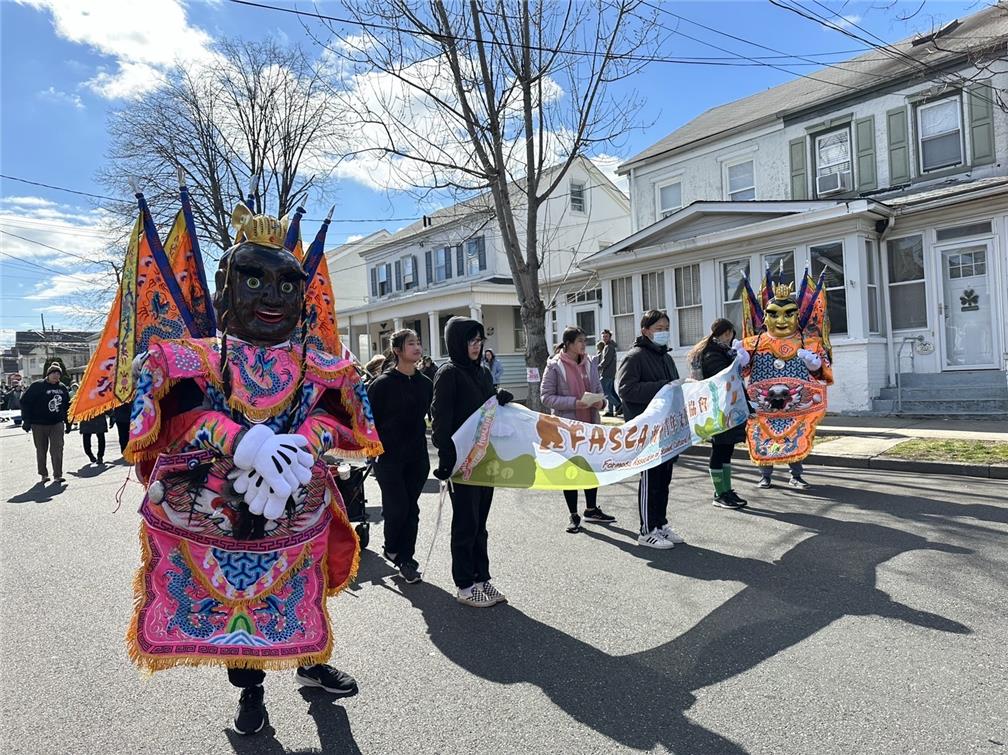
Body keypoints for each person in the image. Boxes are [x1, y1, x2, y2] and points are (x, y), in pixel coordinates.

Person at [122, 206, 381, 736]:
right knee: (240, 608)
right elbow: (163, 423)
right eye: (255, 280)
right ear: (224, 288)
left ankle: (309, 663)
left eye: (289, 285)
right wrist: (241, 439)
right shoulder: (193, 357)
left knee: (300, 594)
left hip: (296, 508)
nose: (273, 297)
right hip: (220, 518)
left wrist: (304, 442)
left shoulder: (318, 362)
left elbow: (348, 422)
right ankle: (251, 694)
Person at [431, 316, 512, 607]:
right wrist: (447, 456)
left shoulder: (482, 372)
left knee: (481, 524)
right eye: (471, 341)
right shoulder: (449, 373)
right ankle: (464, 584)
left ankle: (482, 578)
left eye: (480, 341)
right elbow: (440, 422)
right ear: (457, 342)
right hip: (461, 462)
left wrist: (499, 397)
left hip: (484, 459)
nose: (477, 347)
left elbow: (488, 409)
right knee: (466, 522)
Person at [736, 280, 833, 490]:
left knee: (796, 438)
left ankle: (796, 475)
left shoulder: (809, 343)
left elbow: (823, 373)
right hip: (762, 407)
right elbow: (742, 372)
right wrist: (741, 360)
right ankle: (765, 475)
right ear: (764, 316)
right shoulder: (752, 343)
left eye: (789, 313)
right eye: (773, 314)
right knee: (763, 439)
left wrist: (814, 364)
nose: (781, 320)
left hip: (797, 407)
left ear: (797, 315)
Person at [367, 328, 433, 584]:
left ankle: (407, 560)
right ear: (397, 350)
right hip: (389, 459)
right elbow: (368, 423)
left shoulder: (426, 384)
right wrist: (372, 452)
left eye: (418, 342)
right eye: (411, 344)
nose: (417, 348)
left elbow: (431, 417)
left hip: (417, 458)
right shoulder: (381, 385)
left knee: (411, 509)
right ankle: (392, 546)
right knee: (397, 509)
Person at [616, 310, 684, 549]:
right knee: (650, 479)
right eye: (658, 328)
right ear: (645, 330)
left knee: (663, 479)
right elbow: (625, 390)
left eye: (666, 327)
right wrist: (662, 386)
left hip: (667, 429)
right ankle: (646, 531)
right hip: (646, 430)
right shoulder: (635, 357)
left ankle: (660, 524)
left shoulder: (665, 357)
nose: (663, 332)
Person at [540, 326, 616, 533]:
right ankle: (573, 515)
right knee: (570, 471)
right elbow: (546, 397)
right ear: (568, 344)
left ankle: (591, 509)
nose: (584, 344)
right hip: (567, 428)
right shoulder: (555, 366)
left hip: (590, 425)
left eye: (585, 340)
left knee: (591, 468)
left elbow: (599, 390)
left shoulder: (590, 362)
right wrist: (575, 403)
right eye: (580, 340)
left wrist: (600, 403)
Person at [686, 319, 749, 510]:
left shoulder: (721, 351)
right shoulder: (713, 353)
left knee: (727, 449)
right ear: (727, 333)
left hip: (728, 407)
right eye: (731, 335)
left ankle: (726, 490)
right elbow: (722, 378)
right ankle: (720, 493)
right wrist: (736, 360)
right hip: (718, 409)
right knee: (720, 449)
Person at [20, 363, 70, 484]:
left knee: (57, 449)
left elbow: (67, 406)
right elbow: (25, 401)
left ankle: (58, 475)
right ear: (48, 374)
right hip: (39, 424)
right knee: (41, 450)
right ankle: (43, 474)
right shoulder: (37, 386)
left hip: (57, 423)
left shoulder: (62, 388)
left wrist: (69, 422)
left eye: (58, 373)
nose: (56, 375)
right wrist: (26, 420)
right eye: (53, 373)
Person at [598, 329, 620, 416]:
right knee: (610, 392)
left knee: (605, 392)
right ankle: (610, 411)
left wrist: (597, 367)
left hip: (607, 373)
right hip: (611, 373)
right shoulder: (610, 346)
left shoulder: (608, 347)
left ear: (610, 337)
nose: (604, 338)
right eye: (603, 336)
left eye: (606, 336)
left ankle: (618, 405)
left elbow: (606, 361)